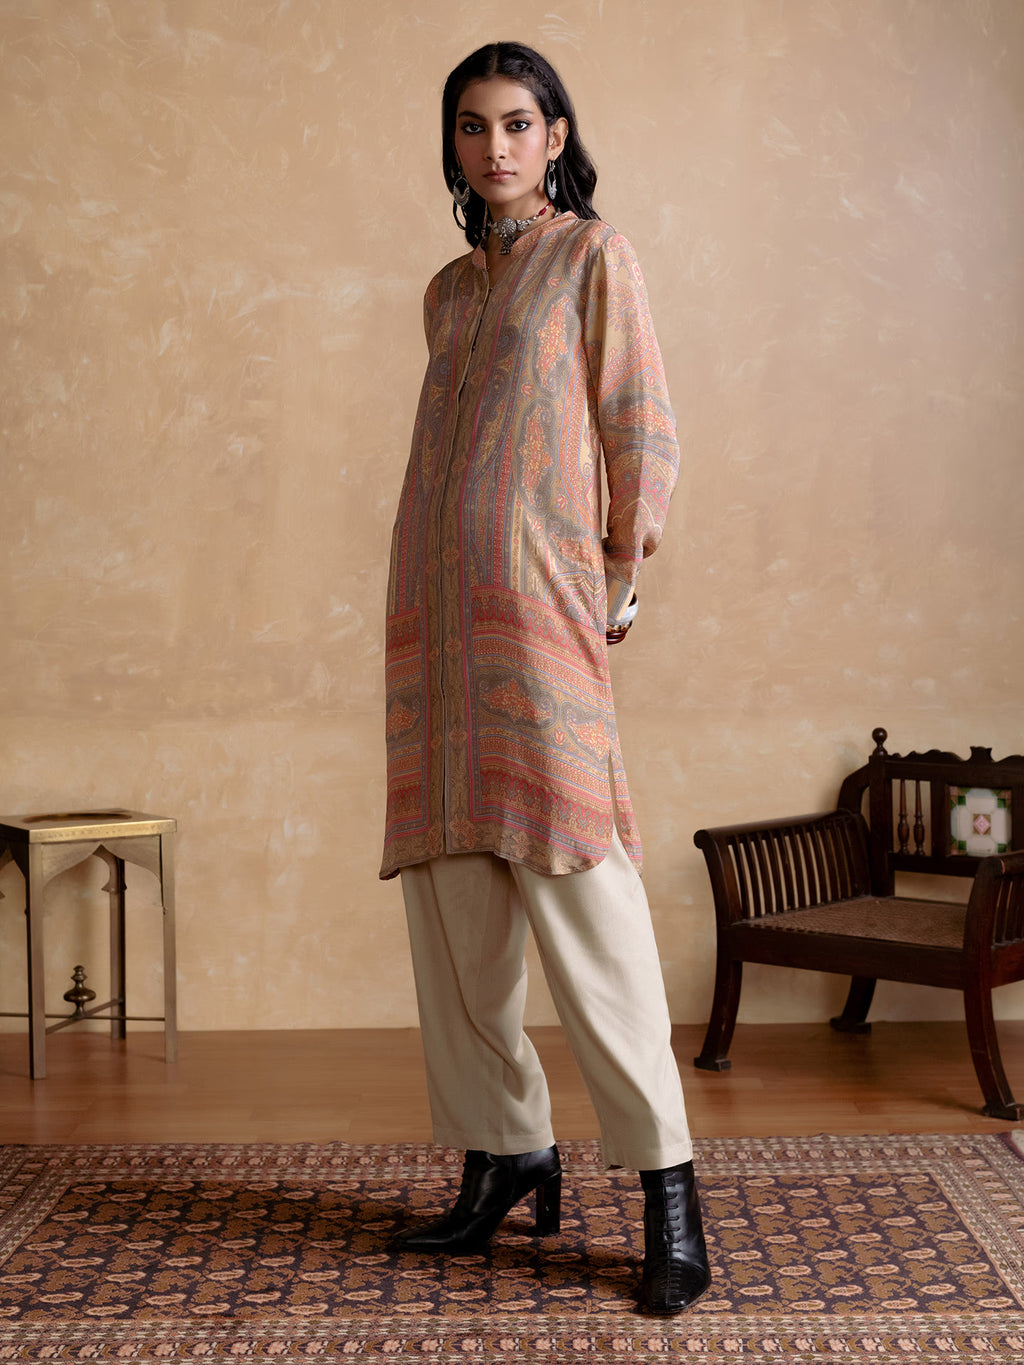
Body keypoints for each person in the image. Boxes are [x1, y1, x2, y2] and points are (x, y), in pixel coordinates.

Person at [380, 40, 710, 1316]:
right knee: (456, 906)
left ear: (557, 135)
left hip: (539, 614)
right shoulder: (448, 294)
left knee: (584, 894)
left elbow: (639, 421)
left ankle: (666, 1192)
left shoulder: (592, 257)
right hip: (433, 626)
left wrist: (618, 572)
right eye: (474, 127)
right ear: (455, 145)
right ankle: (504, 1150)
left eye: (520, 123)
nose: (498, 146)